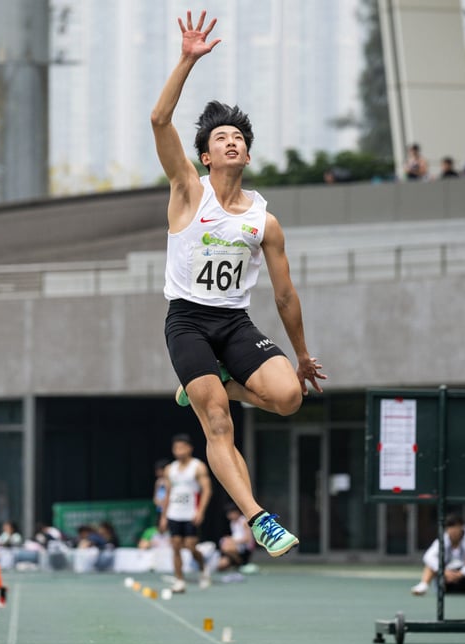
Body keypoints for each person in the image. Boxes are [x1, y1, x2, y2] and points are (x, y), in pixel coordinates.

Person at [151, 10, 326, 559]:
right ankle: (259, 518)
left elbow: (285, 295)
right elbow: (159, 121)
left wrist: (300, 355)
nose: (230, 143)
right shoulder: (187, 190)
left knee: (288, 399)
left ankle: (215, 382)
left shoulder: (264, 222)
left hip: (233, 321)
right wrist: (187, 59)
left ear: (247, 154)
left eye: (238, 139)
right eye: (220, 138)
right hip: (188, 321)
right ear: (205, 155)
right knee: (217, 422)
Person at [159, 434, 212, 593]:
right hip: (174, 513)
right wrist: (163, 516)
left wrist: (200, 511)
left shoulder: (198, 467)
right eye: (176, 448)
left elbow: (207, 490)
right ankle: (179, 580)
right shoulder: (170, 469)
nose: (179, 451)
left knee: (190, 546)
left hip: (190, 513)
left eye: (182, 447)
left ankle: (203, 568)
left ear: (189, 448)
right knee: (175, 546)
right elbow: (167, 494)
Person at [412, 514, 465, 596]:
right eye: (450, 527)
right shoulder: (442, 540)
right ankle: (423, 585)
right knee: (430, 566)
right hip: (446, 580)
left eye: (456, 527)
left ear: (461, 527)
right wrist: (444, 572)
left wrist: (462, 573)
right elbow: (428, 556)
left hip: (464, 579)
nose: (453, 531)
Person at [216, 503, 255, 574]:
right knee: (220, 565)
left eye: (230, 513)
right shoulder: (232, 523)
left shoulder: (244, 521)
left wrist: (232, 541)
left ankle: (241, 563)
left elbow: (248, 539)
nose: (229, 516)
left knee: (226, 547)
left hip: (245, 548)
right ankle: (234, 563)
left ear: (236, 512)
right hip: (235, 548)